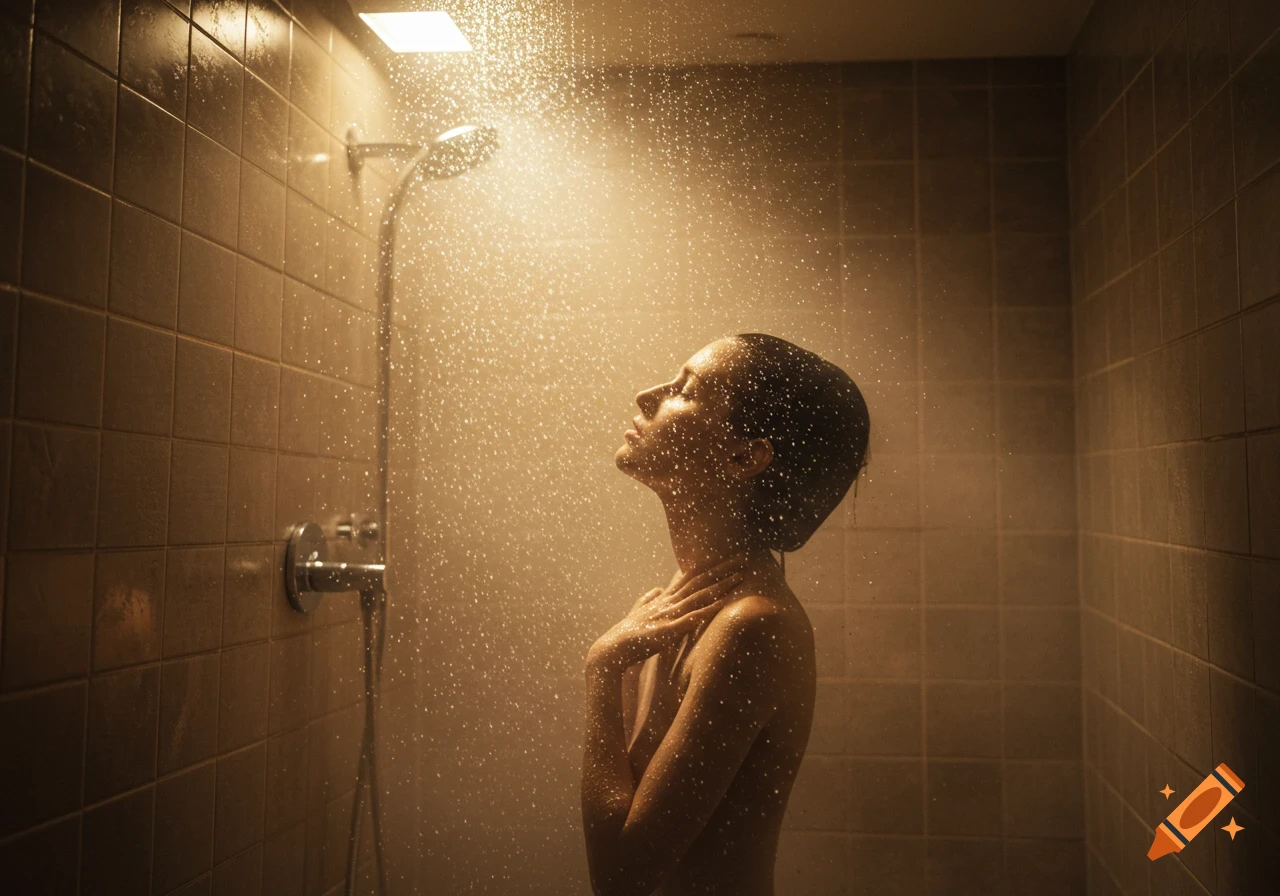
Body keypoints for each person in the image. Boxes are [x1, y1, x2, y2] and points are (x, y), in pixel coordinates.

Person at [581, 333, 871, 896]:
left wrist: (601, 669)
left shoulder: (752, 625)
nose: (647, 395)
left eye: (686, 391)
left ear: (745, 456)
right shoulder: (693, 596)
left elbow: (621, 880)